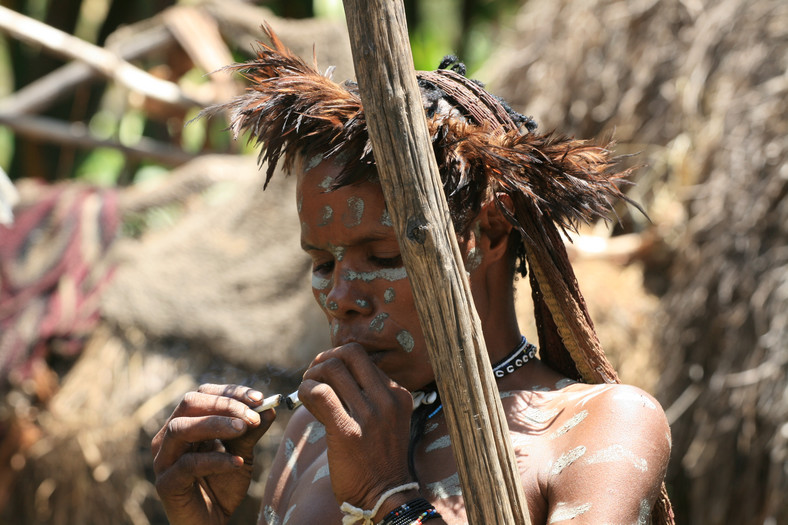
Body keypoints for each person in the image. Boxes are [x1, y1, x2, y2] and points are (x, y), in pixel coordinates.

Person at [152, 26, 673, 525]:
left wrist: (386, 497)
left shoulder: (598, 427)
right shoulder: (314, 434)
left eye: (381, 256)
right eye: (324, 264)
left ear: (488, 231)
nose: (340, 298)